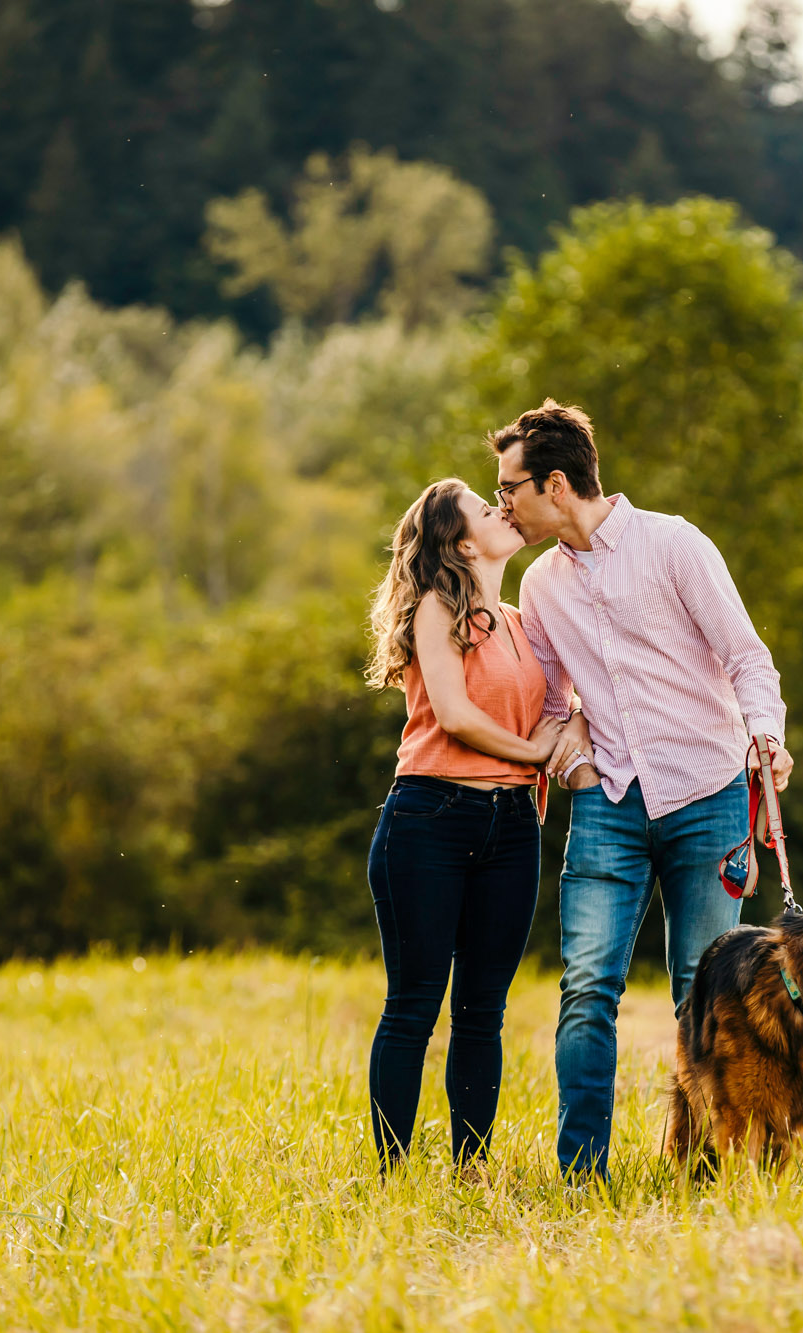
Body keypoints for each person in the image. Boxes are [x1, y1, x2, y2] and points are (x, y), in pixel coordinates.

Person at [491, 400, 794, 1180]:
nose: (502, 505)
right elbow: (556, 706)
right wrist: (578, 767)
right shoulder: (543, 587)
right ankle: (581, 1171)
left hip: (710, 790)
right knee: (588, 987)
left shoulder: (673, 544)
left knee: (702, 991)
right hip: (610, 802)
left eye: (510, 488)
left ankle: (702, 1167)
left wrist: (767, 736)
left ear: (555, 484)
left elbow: (747, 657)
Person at [361, 478, 584, 1171]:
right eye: (485, 511)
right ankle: (394, 1171)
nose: (502, 512)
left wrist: (568, 724)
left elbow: (568, 701)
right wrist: (536, 754)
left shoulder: (521, 623)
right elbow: (454, 716)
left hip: (512, 828)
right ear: (462, 542)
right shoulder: (436, 609)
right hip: (429, 818)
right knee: (414, 1003)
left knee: (483, 1008)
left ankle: (471, 1164)